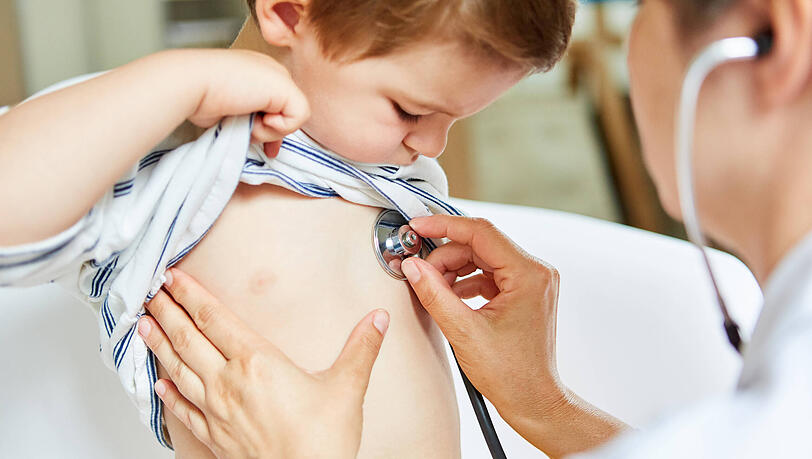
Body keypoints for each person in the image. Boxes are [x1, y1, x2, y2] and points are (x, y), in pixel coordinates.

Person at [137, 0, 812, 457]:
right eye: (409, 110)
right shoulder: (205, 211)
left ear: (769, 37)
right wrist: (545, 405)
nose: (428, 149)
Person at [0, 0, 576, 457]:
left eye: (459, 115)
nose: (432, 145)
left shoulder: (389, 174)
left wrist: (544, 403)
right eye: (410, 110)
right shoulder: (181, 160)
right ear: (289, 12)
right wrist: (180, 82)